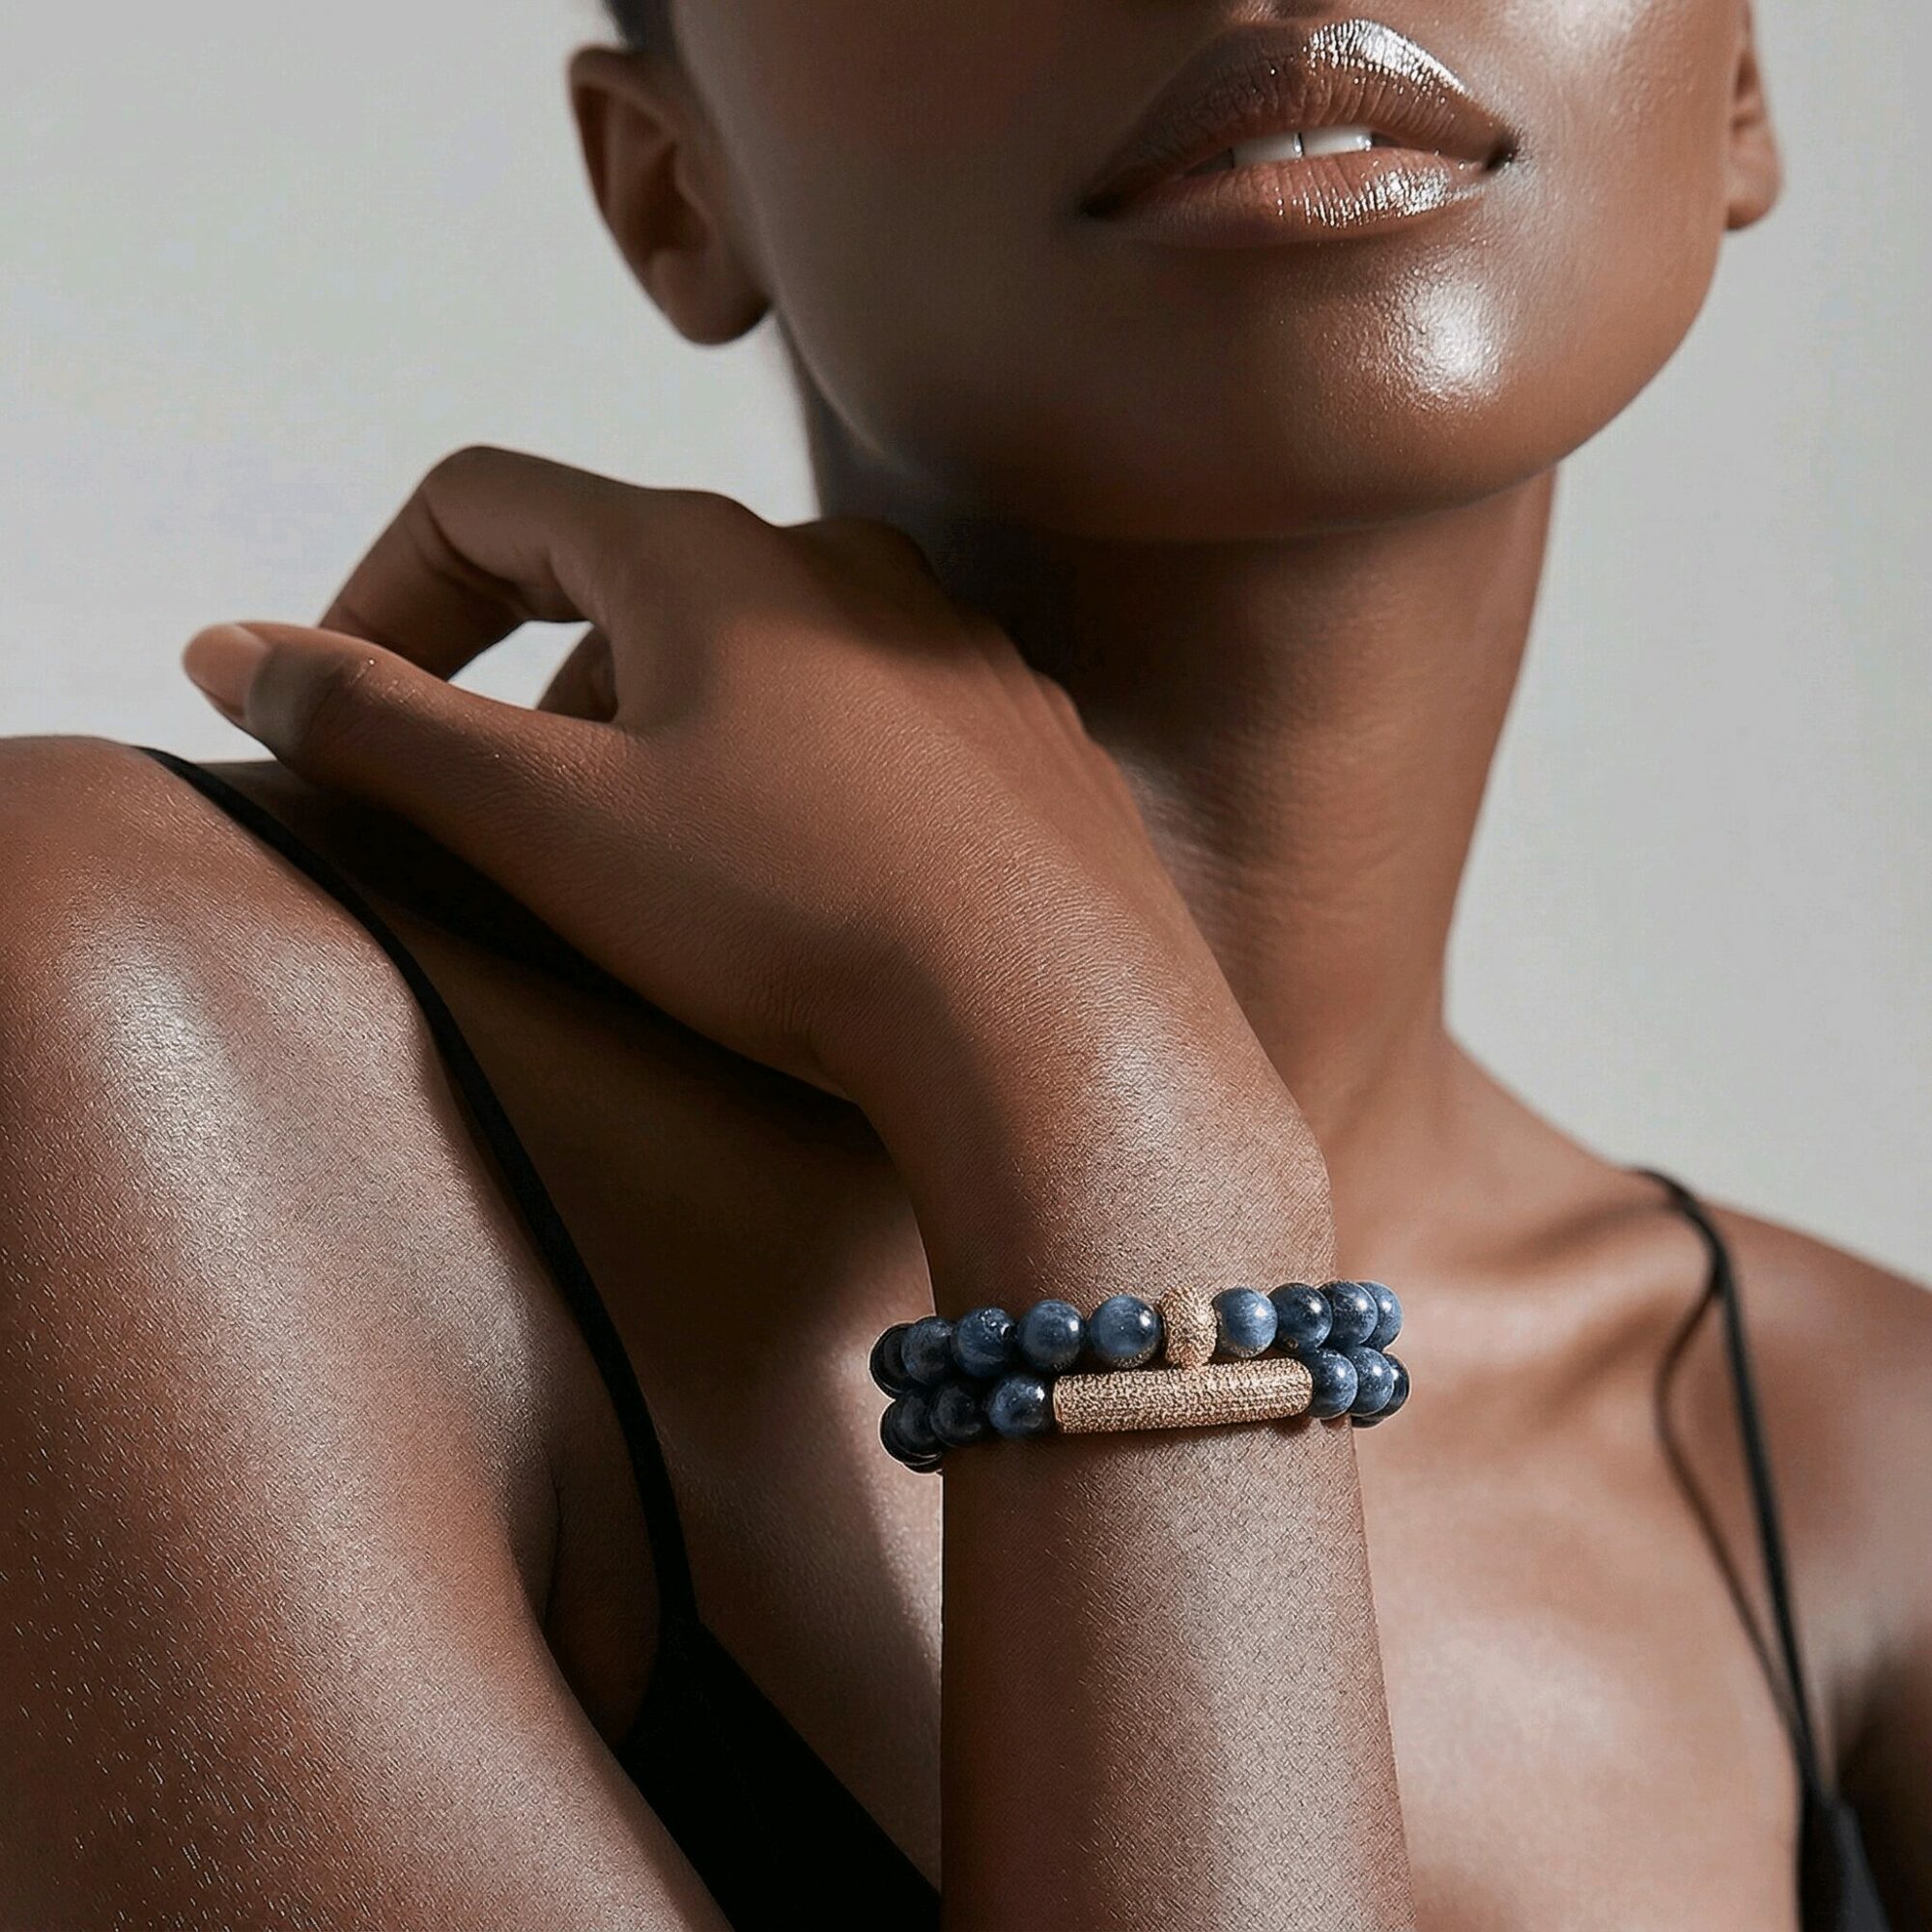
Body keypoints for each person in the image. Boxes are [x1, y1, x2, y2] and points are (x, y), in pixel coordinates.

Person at [0, 2, 1923, 1926]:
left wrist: (1098, 1107)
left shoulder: (1865, 1474)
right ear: (679, 191)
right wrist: (1109, 1133)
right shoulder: (136, 1038)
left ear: (1739, 81)